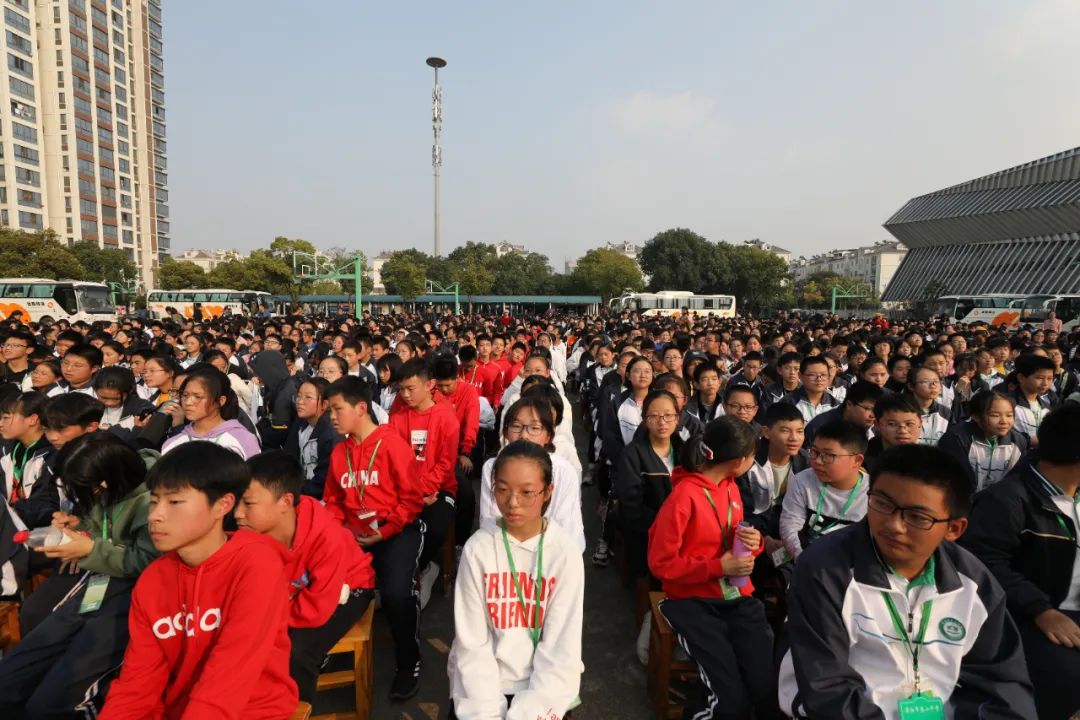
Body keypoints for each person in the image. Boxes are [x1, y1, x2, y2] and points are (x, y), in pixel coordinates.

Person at [779, 444, 1036, 719]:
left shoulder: (974, 584)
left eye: (917, 517)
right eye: (882, 503)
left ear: (954, 529)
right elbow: (827, 688)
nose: (894, 525)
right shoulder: (826, 570)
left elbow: (1002, 685)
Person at [99, 442, 298, 719]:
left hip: (251, 710)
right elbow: (137, 684)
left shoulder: (256, 566)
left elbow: (230, 676)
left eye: (175, 501)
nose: (155, 515)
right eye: (154, 501)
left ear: (222, 505)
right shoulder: (153, 580)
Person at [0, 432, 158, 717]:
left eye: (87, 489)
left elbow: (146, 560)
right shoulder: (109, 488)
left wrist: (89, 548)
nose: (87, 495)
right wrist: (79, 526)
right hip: (96, 583)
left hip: (131, 597)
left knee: (52, 701)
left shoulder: (154, 501)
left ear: (107, 478)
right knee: (11, 678)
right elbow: (103, 528)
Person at [648, 416, 782, 720]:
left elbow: (731, 536)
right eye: (753, 457)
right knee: (727, 700)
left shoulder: (730, 486)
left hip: (735, 596)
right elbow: (660, 564)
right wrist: (717, 566)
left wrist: (755, 541)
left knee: (766, 689)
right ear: (739, 461)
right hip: (693, 602)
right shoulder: (683, 497)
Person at [448, 441, 584, 720]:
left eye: (526, 492)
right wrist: (488, 713)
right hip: (483, 684)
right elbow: (472, 644)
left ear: (548, 492)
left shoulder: (564, 553)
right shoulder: (479, 549)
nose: (512, 503)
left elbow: (562, 648)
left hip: (544, 687)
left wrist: (528, 712)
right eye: (502, 489)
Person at [960, 405, 1080, 720]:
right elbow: (984, 564)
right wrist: (1042, 610)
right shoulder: (1009, 499)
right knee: (1066, 677)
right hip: (1030, 617)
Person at [235, 450, 375, 703]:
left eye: (248, 503)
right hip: (294, 597)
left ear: (286, 502)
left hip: (350, 588)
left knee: (296, 652)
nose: (237, 513)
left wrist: (268, 621)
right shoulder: (248, 533)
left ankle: (297, 708)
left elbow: (316, 609)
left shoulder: (325, 535)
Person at [324, 377, 425, 700]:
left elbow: (411, 499)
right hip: (354, 536)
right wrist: (342, 535)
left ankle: (408, 662)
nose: (332, 417)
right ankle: (321, 652)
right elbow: (334, 502)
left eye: (338, 410)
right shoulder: (340, 452)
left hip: (394, 531)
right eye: (330, 411)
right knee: (324, 582)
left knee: (396, 593)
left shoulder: (391, 444)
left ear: (362, 408)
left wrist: (384, 531)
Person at [388, 358, 459, 598]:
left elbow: (445, 465)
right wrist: (412, 493)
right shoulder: (398, 417)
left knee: (435, 527)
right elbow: (392, 459)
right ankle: (396, 576)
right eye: (401, 390)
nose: (405, 395)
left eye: (411, 389)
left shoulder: (445, 417)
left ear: (429, 385)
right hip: (405, 489)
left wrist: (419, 491)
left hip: (440, 489)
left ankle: (426, 566)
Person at [479, 397, 586, 553]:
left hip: (553, 556)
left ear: (548, 436)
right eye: (516, 426)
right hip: (503, 553)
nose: (524, 435)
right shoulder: (492, 468)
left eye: (534, 428)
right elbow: (490, 521)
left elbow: (568, 530)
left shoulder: (563, 471)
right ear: (506, 432)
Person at [617, 389, 685, 577]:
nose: (662, 422)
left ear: (677, 418)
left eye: (668, 415)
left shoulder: (685, 451)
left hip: (683, 528)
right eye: (654, 416)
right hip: (649, 531)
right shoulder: (632, 455)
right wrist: (667, 528)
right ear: (645, 419)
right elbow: (632, 506)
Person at [779, 419, 868, 561]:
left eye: (828, 455)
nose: (818, 461)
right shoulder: (802, 481)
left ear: (857, 460)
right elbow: (789, 526)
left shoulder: (873, 493)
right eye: (814, 452)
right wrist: (805, 563)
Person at [161, 366, 262, 459]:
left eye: (198, 396)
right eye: (185, 395)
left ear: (221, 401)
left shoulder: (243, 439)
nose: (188, 402)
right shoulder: (173, 443)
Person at [938, 391, 1027, 492]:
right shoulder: (957, 438)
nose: (1004, 421)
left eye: (1009, 415)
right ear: (976, 416)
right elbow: (956, 480)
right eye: (995, 415)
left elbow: (1016, 479)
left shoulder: (1018, 442)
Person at [0, 391, 58, 528]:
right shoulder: (7, 450)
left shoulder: (52, 456)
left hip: (38, 532)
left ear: (32, 419)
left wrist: (10, 514)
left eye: (6, 418)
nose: (0, 424)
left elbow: (45, 505)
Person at [283, 377, 341, 498]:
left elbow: (323, 481)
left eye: (308, 397)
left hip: (321, 498)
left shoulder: (330, 434)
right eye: (299, 396)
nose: (300, 401)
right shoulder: (301, 424)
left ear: (324, 404)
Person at [804, 380, 882, 448]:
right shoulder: (821, 426)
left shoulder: (877, 426)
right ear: (849, 405)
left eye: (875, 409)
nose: (872, 415)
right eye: (867, 408)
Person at [864, 394, 922, 472]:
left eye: (909, 424)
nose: (902, 431)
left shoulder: (929, 460)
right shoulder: (863, 460)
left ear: (920, 423)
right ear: (877, 424)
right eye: (892, 424)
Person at [1009, 353, 1056, 445]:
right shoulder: (1007, 403)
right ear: (1021, 377)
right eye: (1040, 378)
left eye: (1050, 378)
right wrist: (1027, 440)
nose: (1045, 383)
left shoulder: (1046, 407)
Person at [905, 365, 952, 446]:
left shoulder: (945, 412)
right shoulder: (902, 412)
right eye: (925, 381)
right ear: (911, 386)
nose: (933, 385)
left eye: (936, 381)